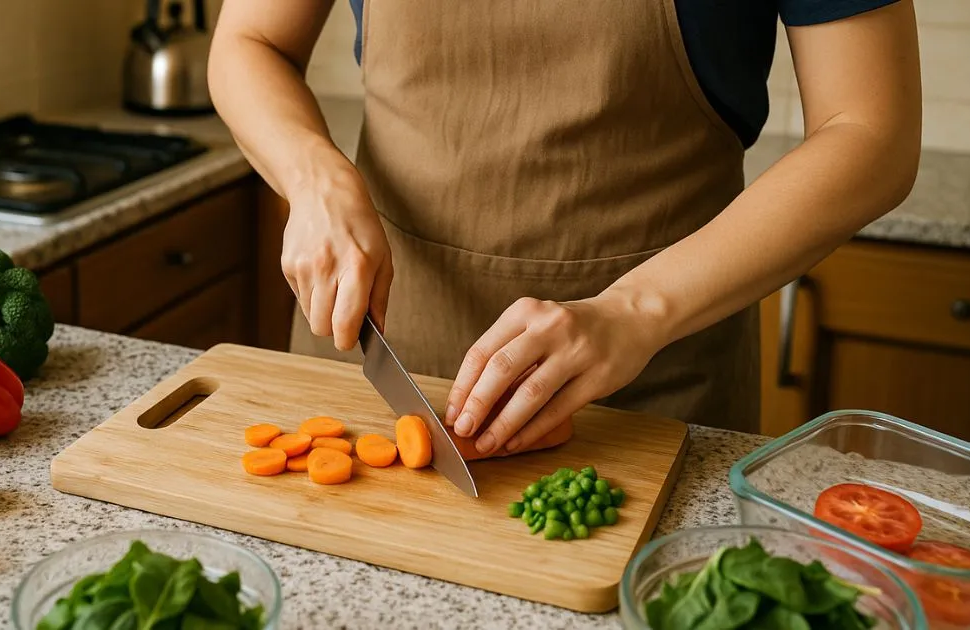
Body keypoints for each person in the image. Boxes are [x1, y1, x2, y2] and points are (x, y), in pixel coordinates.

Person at [208, 0, 921, 456]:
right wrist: (313, 176)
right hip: (373, 360)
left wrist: (636, 312)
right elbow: (250, 40)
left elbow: (872, 130)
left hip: (652, 388)